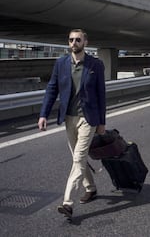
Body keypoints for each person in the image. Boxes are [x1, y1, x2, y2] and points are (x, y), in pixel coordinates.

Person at [37, 29, 106, 219]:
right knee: (78, 158)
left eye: (78, 40)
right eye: (71, 40)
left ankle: (67, 202)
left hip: (88, 118)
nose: (74, 43)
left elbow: (101, 95)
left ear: (85, 42)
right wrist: (44, 114)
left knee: (78, 158)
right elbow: (52, 89)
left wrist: (102, 122)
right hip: (69, 117)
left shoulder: (95, 65)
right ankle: (90, 188)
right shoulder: (61, 63)